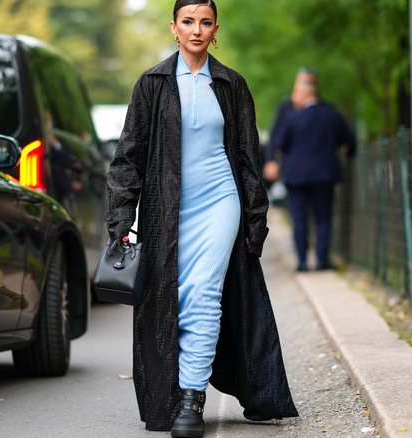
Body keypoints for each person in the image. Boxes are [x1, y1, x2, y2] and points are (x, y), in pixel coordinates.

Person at [105, 1, 298, 437]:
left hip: (220, 202)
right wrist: (121, 221)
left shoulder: (231, 84)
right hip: (166, 209)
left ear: (215, 29)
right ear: (174, 28)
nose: (196, 30)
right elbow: (127, 158)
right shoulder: (152, 83)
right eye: (188, 22)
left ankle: (191, 398)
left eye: (205, 22)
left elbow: (250, 158)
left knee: (203, 294)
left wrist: (255, 219)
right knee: (174, 298)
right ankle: (173, 393)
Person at [266, 69, 356, 271]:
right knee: (323, 218)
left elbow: (278, 143)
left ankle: (303, 262)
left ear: (304, 94)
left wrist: (276, 160)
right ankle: (323, 260)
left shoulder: (291, 118)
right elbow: (350, 142)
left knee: (299, 218)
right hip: (324, 175)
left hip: (296, 176)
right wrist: (345, 150)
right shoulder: (332, 115)